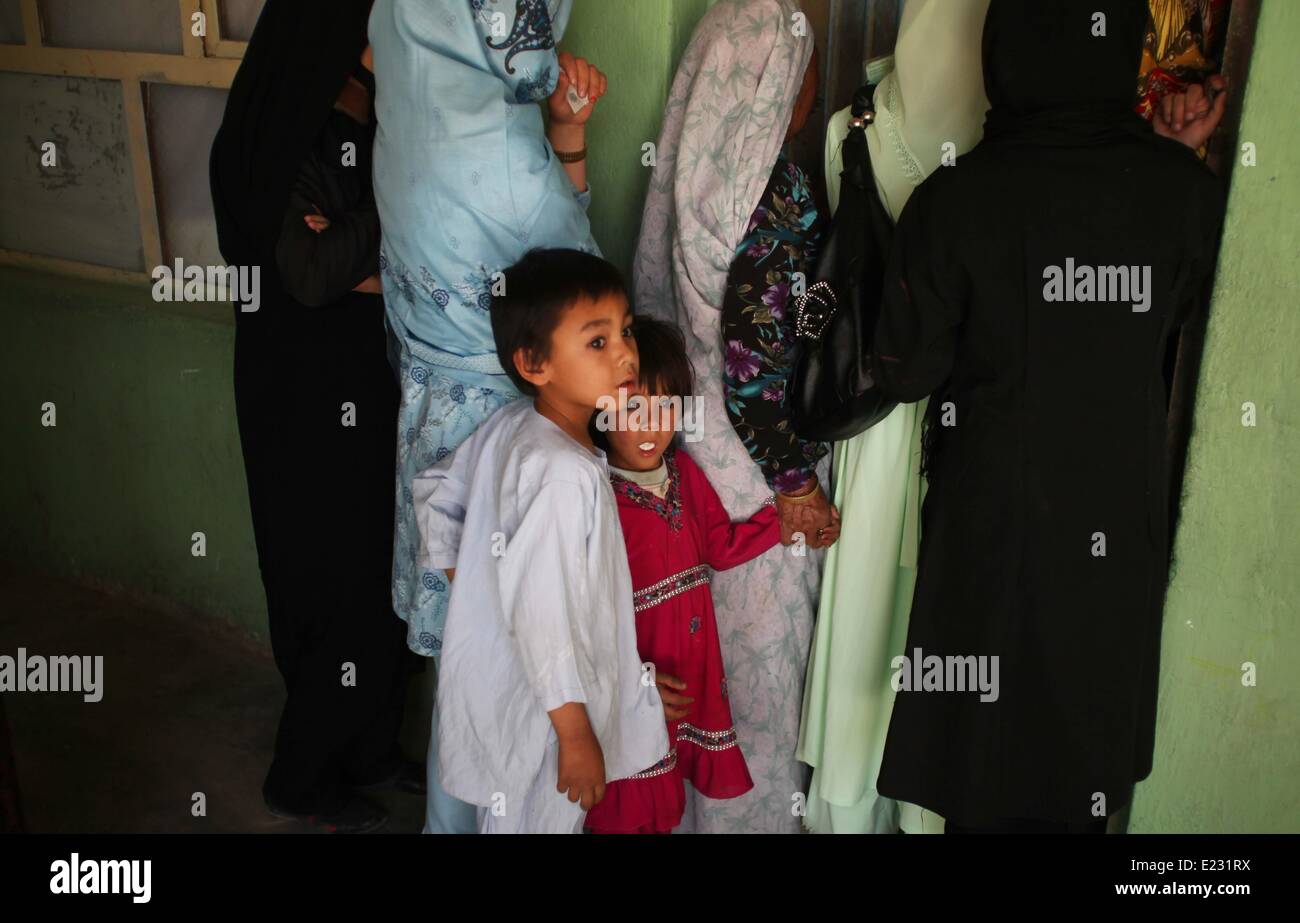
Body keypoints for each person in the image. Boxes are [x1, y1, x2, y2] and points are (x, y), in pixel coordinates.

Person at [869, 0, 1226, 833]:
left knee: (984, 751)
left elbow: (907, 368)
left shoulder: (956, 200)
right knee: (1077, 761)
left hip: (992, 522)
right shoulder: (1185, 192)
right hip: (1111, 528)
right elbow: (1177, 314)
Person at [368, 0, 607, 833]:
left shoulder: (407, 119)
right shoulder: (499, 172)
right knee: (520, 692)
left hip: (444, 439)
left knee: (468, 684)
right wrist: (564, 135)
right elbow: (581, 287)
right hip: (504, 454)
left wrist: (562, 134)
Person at [209, 0, 415, 833]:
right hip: (303, 394)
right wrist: (390, 224)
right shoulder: (293, 124)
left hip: (358, 378)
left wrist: (361, 253)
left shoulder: (363, 114)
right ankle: (302, 771)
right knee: (331, 574)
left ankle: (365, 749)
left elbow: (344, 261)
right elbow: (311, 269)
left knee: (379, 567)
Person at [634, 0, 835, 835]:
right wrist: (796, 486)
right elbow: (756, 366)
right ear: (773, 83)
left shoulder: (692, 181)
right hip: (757, 486)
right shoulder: (776, 197)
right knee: (756, 688)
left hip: (689, 466)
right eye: (803, 70)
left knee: (698, 669)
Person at [411, 249, 666, 834]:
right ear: (534, 363)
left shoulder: (514, 428)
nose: (627, 353)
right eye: (597, 342)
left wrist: (476, 584)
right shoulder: (561, 472)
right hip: (545, 717)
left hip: (512, 692)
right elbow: (543, 613)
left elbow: (433, 492)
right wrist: (574, 733)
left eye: (624, 331)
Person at [584, 319, 788, 834]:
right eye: (633, 408)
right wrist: (632, 681)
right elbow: (581, 613)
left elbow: (719, 547)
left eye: (665, 408)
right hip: (634, 683)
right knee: (628, 794)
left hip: (690, 678)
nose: (651, 426)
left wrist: (785, 518)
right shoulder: (593, 496)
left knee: (668, 794)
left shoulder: (686, 474)